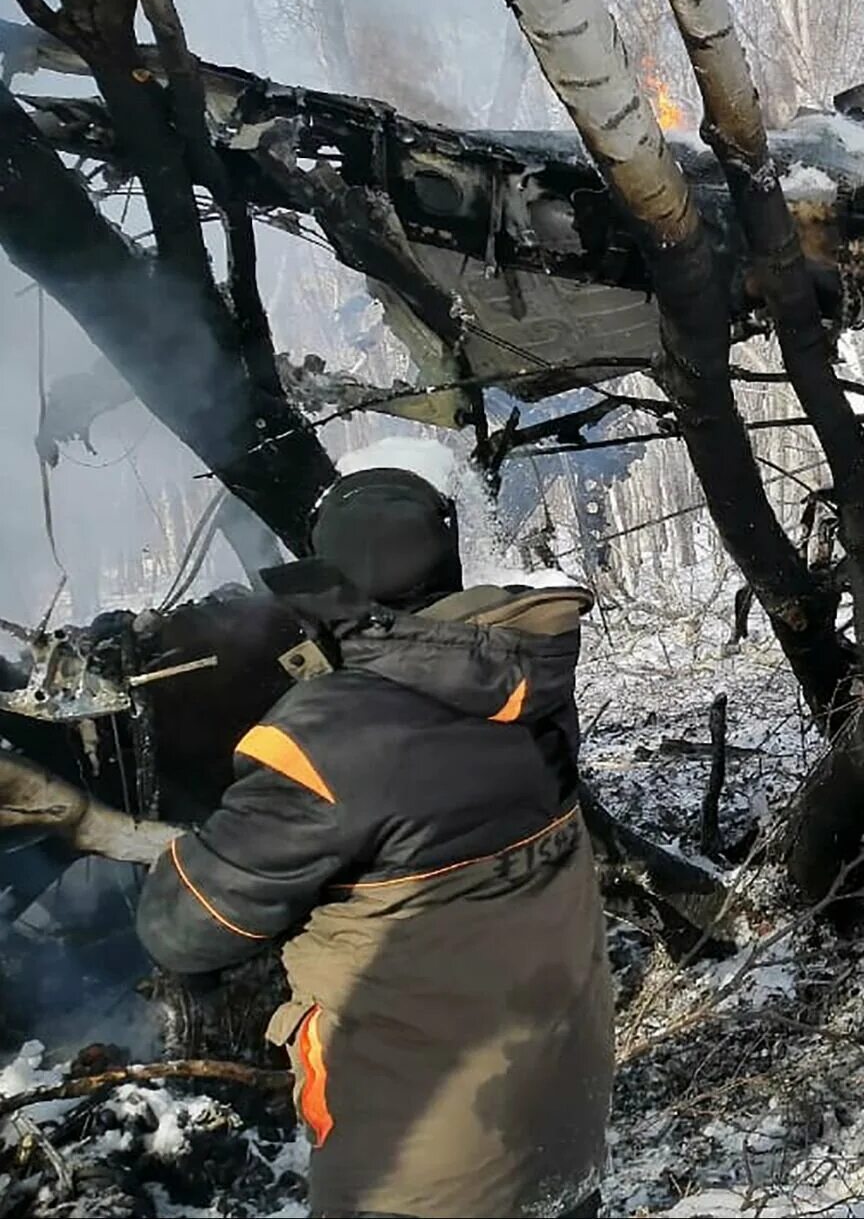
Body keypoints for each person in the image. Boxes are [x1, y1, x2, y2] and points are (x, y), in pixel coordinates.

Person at [135, 467, 613, 1218]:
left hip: (420, 1178)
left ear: (331, 596)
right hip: (562, 1132)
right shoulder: (528, 680)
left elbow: (180, 927)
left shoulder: (327, 738)